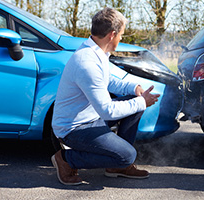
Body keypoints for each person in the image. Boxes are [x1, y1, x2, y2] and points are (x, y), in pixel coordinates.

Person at [51, 7, 160, 185]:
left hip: (91, 117)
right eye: (121, 35)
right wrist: (141, 102)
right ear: (112, 34)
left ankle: (115, 165)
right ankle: (66, 159)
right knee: (128, 155)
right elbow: (107, 111)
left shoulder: (97, 52)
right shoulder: (87, 62)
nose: (121, 38)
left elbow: (108, 81)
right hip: (74, 128)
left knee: (134, 105)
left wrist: (135, 89)